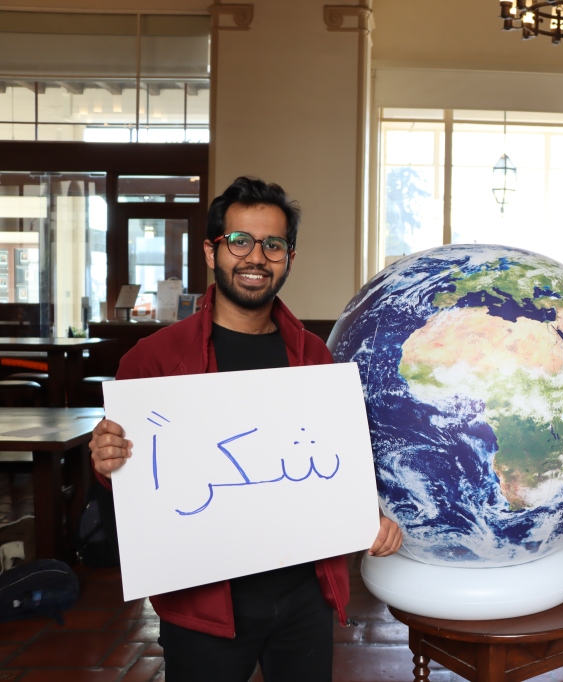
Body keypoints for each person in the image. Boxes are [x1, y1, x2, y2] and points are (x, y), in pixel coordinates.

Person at [88, 176, 403, 682]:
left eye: (272, 244)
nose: (256, 256)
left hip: (305, 596)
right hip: (204, 603)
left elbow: (338, 463)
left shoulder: (316, 358)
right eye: (240, 241)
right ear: (213, 252)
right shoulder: (153, 360)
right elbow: (128, 481)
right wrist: (106, 461)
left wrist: (369, 515)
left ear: (289, 258)